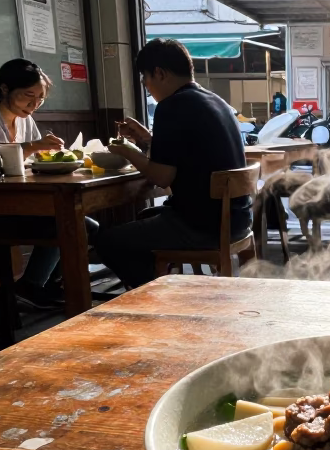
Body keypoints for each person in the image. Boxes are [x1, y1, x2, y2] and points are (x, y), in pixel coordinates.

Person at [95, 38, 250, 289]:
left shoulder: (171, 106)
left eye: (146, 80)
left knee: (109, 241)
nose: (147, 87)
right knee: (147, 217)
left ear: (159, 73)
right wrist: (148, 141)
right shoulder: (215, 101)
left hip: (202, 226)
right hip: (236, 218)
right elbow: (188, 151)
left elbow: (162, 178)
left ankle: (150, 301)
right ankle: (159, 287)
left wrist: (127, 150)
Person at [0, 59, 98, 310]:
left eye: (40, 99)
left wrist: (52, 154)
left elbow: (37, 159)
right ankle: (32, 285)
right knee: (67, 223)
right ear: (5, 89)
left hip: (21, 203)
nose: (34, 104)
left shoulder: (25, 118)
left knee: (86, 226)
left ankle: (45, 285)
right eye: (29, 96)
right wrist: (31, 148)